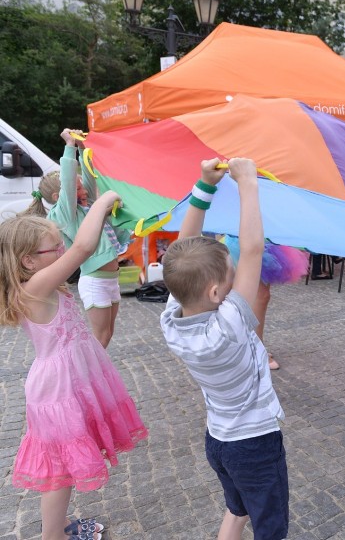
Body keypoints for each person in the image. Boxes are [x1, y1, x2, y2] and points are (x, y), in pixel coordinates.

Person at [0, 197, 147, 540]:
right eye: (54, 248)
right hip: (57, 389)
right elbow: (82, 247)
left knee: (62, 467)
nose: (62, 249)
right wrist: (103, 202)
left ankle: (56, 532)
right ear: (28, 261)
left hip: (71, 382)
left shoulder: (41, 282)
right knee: (60, 469)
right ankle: (53, 536)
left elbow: (71, 241)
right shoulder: (35, 288)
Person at [160, 158, 289, 540]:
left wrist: (205, 185)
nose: (239, 278)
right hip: (254, 445)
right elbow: (252, 250)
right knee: (271, 528)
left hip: (219, 442)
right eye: (231, 277)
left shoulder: (174, 319)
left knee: (237, 510)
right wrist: (248, 182)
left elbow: (181, 251)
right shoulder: (229, 325)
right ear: (216, 293)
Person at [23, 129, 131, 349]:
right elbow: (69, 183)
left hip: (110, 279)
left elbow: (90, 178)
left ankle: (96, 371)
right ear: (58, 197)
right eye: (77, 187)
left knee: (108, 334)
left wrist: (83, 148)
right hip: (95, 281)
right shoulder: (64, 216)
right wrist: (69, 146)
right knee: (100, 338)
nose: (82, 189)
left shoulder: (88, 206)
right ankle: (89, 373)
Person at [222, 237, 309, 371]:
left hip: (263, 240)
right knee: (260, 296)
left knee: (258, 295)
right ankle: (255, 349)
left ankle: (251, 346)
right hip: (245, 239)